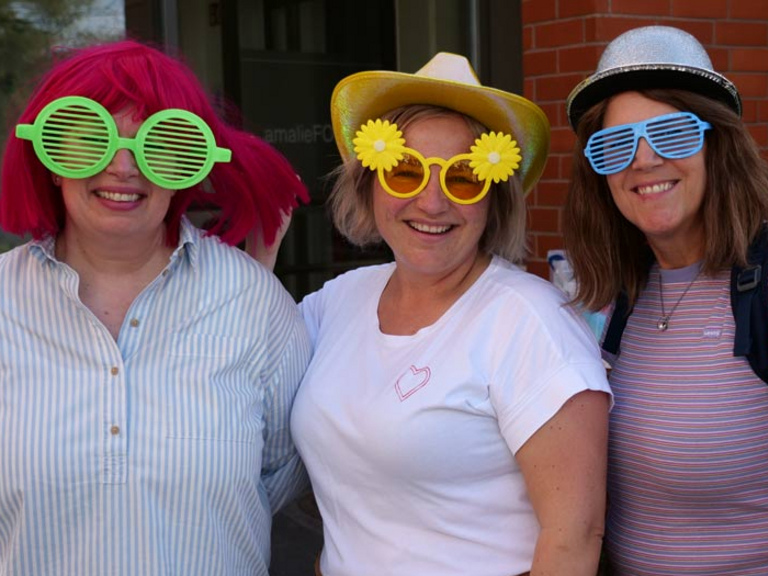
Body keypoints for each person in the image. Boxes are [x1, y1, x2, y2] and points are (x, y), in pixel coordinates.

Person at [288, 52, 612, 576]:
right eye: (404, 171)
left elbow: (574, 537)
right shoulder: (337, 301)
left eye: (463, 179)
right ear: (370, 184)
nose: (432, 202)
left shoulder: (529, 320)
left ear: (494, 199)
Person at [0, 40, 312, 576]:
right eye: (88, 138)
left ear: (188, 167)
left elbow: (283, 472)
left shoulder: (254, 304)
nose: (123, 166)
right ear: (49, 160)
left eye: (159, 143)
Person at [564, 25, 768, 575]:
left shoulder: (762, 285)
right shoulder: (615, 294)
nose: (645, 160)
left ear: (717, 143)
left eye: (673, 134)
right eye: (615, 145)